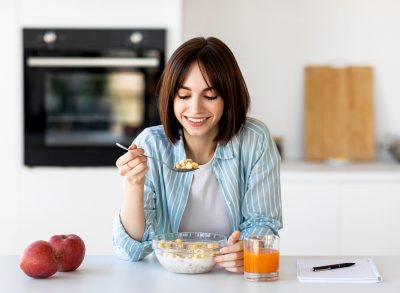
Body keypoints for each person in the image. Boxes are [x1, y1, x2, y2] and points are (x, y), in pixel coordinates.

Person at [113, 37, 282, 273]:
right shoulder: (150, 145)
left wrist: (247, 249)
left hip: (231, 278)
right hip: (170, 278)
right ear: (171, 97)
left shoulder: (254, 140)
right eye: (183, 95)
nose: (195, 108)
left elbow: (262, 223)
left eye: (210, 96)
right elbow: (131, 251)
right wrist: (133, 183)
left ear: (229, 97)